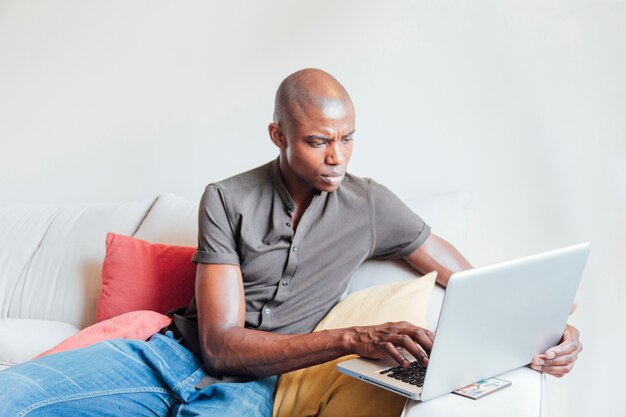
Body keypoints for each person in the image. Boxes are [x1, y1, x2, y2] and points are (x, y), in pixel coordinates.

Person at [0, 69, 582, 416]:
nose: (337, 158)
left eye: (348, 139)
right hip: (164, 358)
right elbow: (222, 347)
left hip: (254, 394)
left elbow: (481, 289)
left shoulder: (373, 204)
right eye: (317, 141)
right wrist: (353, 338)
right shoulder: (226, 198)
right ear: (278, 135)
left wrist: (552, 333)